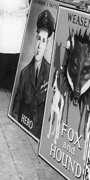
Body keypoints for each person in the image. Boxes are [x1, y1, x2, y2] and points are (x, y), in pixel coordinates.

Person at [10, 8, 54, 138]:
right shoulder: (24, 73)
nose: (40, 45)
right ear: (35, 40)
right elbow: (16, 109)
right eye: (39, 39)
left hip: (41, 135)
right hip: (24, 129)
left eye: (44, 41)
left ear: (47, 45)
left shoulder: (50, 74)